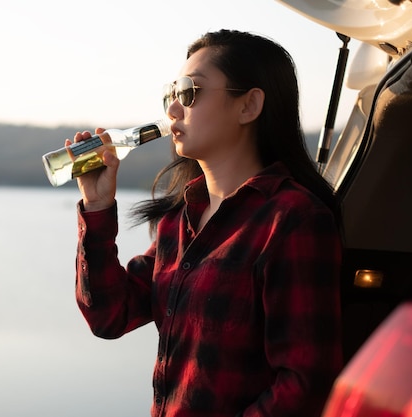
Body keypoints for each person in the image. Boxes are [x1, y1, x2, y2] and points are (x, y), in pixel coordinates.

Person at [69, 29, 343, 417]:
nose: (173, 110)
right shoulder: (181, 220)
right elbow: (109, 315)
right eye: (171, 95)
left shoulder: (292, 219)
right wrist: (97, 206)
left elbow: (305, 383)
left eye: (189, 93)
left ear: (249, 106)